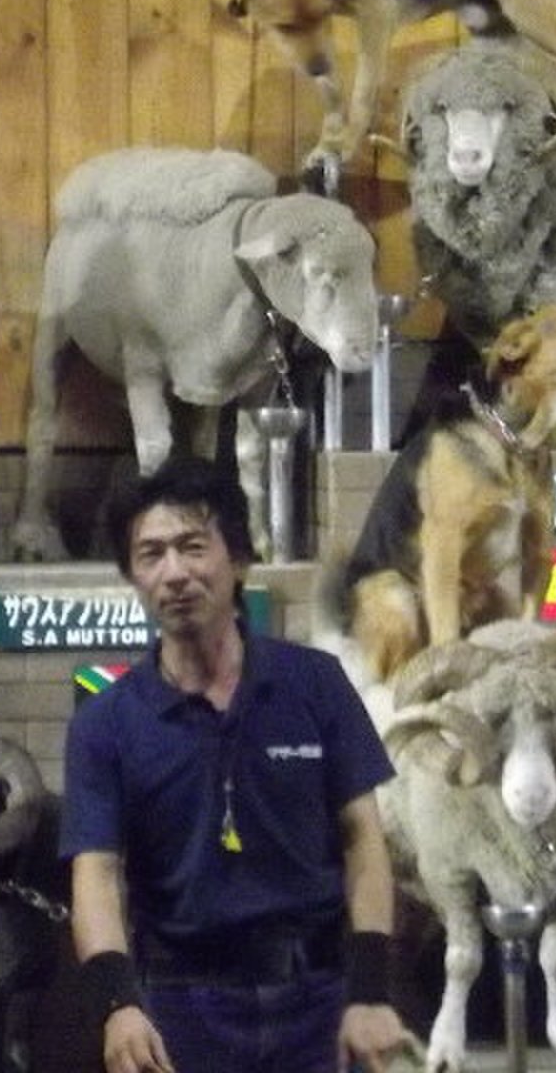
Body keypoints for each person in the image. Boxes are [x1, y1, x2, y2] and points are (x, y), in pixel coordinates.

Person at [62, 455, 414, 1073]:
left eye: (193, 547)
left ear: (240, 560)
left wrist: (369, 992)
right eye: (151, 555)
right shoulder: (105, 723)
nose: (174, 573)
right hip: (179, 1013)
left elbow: (364, 842)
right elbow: (95, 875)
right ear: (132, 577)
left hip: (320, 1004)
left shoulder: (315, 684)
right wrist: (117, 1004)